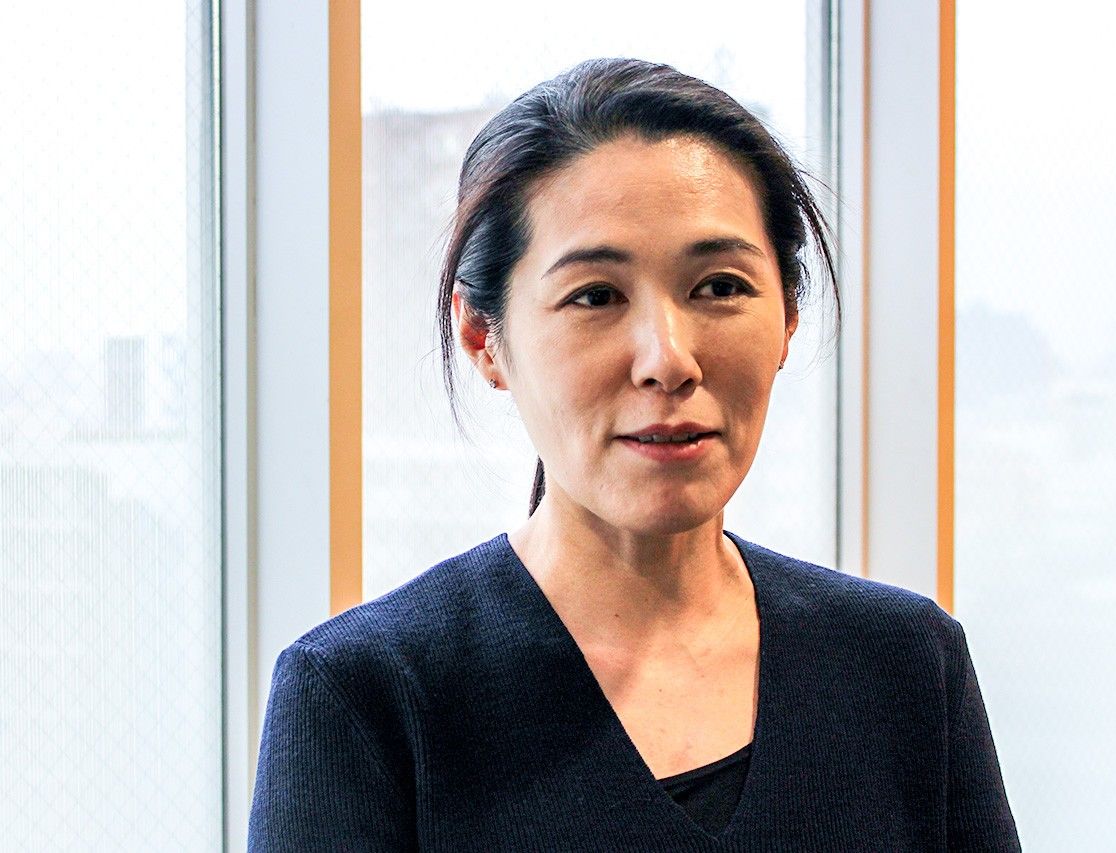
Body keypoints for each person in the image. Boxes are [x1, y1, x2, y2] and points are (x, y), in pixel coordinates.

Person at [248, 58, 1020, 851]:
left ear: (789, 315)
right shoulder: (363, 699)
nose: (668, 359)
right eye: (595, 296)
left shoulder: (905, 665)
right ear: (483, 336)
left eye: (719, 286)